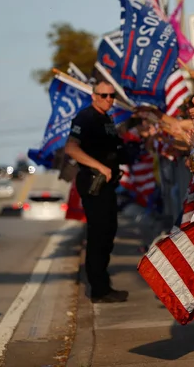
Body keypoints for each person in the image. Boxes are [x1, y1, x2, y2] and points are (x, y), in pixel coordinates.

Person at [65, 81, 129, 304]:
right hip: (95, 182)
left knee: (108, 233)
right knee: (99, 236)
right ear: (93, 96)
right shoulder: (86, 117)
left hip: (107, 184)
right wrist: (99, 166)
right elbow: (71, 148)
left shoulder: (106, 118)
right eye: (103, 95)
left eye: (112, 96)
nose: (109, 99)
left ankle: (103, 285)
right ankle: (99, 290)